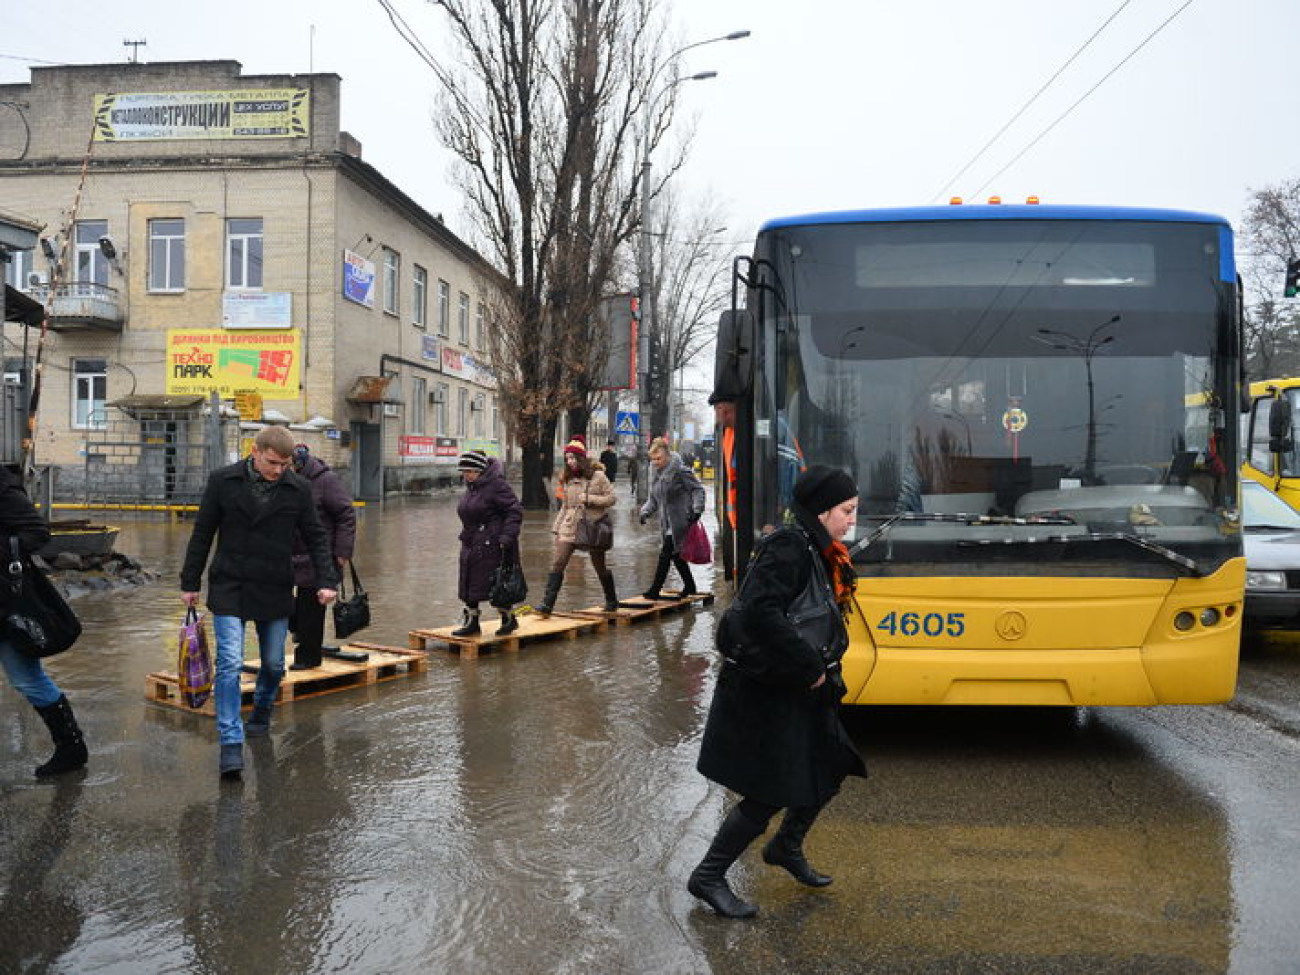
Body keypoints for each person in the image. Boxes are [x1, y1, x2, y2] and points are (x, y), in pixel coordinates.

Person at [687, 464, 867, 919]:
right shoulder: (787, 546)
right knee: (768, 791)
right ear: (822, 510)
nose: (852, 520)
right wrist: (808, 666)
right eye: (846, 511)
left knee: (832, 763)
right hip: (772, 688)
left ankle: (785, 847)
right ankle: (708, 876)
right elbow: (756, 613)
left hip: (802, 686)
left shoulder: (817, 547)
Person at [181, 426, 339, 779]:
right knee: (230, 663)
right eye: (272, 463)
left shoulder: (297, 488)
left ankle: (262, 712)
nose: (278, 470)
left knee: (272, 665)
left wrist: (328, 580)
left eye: (285, 464)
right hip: (230, 583)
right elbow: (203, 532)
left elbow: (316, 536)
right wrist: (189, 581)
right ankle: (231, 743)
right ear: (255, 451)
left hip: (274, 585)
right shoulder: (223, 481)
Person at [0, 468, 88, 777]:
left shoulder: (3, 488)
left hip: (6, 606)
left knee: (26, 678)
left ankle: (71, 747)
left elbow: (37, 531)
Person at [288, 443, 356, 670]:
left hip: (319, 555)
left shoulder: (326, 480)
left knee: (311, 608)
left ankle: (309, 657)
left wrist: (342, 552)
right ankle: (303, 637)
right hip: (291, 554)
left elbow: (346, 514)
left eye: (287, 465)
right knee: (285, 603)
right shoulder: (285, 480)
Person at [535, 438, 618, 615]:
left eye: (573, 457)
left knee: (599, 566)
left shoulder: (598, 476)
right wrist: (556, 529)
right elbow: (564, 506)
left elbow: (612, 499)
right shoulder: (567, 479)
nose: (570, 461)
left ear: (581, 458)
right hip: (569, 526)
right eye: (567, 458)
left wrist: (590, 499)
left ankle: (611, 601)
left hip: (592, 526)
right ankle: (547, 605)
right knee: (558, 562)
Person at [453, 449, 524, 637]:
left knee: (497, 582)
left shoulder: (497, 485)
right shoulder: (472, 487)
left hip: (493, 543)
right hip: (471, 541)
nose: (466, 475)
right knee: (468, 583)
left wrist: (507, 537)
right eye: (464, 471)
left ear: (480, 470)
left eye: (470, 471)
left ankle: (508, 619)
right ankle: (472, 621)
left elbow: (514, 511)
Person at [638, 438, 706, 600]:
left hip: (681, 519)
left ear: (667, 455)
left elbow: (698, 490)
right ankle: (690, 586)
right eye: (653, 459)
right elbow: (654, 499)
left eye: (659, 458)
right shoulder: (655, 474)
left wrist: (697, 510)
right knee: (676, 555)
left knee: (665, 553)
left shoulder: (680, 471)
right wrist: (644, 512)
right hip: (665, 522)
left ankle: (655, 590)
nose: (655, 462)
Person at [710, 392, 739, 581]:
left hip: (752, 520)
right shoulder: (729, 433)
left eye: (716, 410)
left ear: (723, 409)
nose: (716, 417)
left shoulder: (748, 432)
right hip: (737, 520)